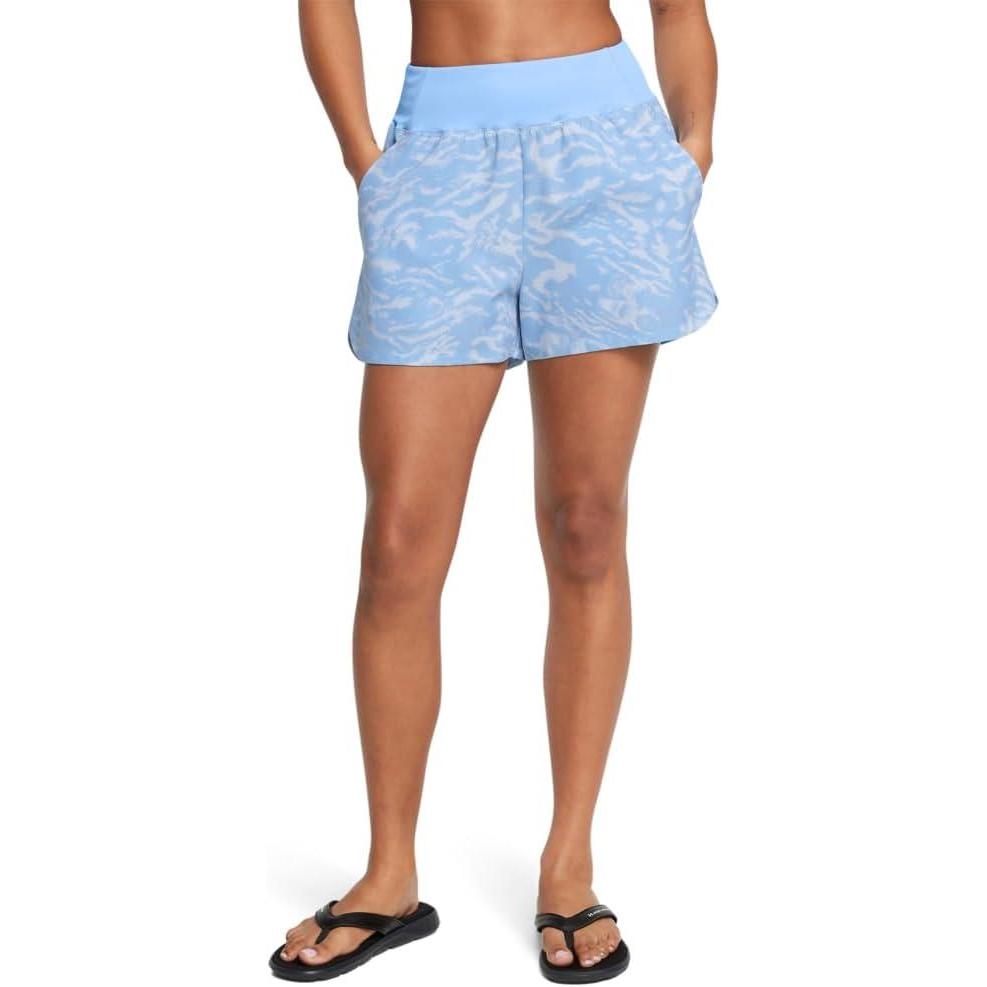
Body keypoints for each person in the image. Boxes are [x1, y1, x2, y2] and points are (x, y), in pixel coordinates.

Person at [271, 1, 717, 981]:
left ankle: (569, 861)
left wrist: (692, 150)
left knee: (586, 523)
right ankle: (389, 872)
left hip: (606, 156)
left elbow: (677, 9)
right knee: (397, 544)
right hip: (437, 164)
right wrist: (364, 160)